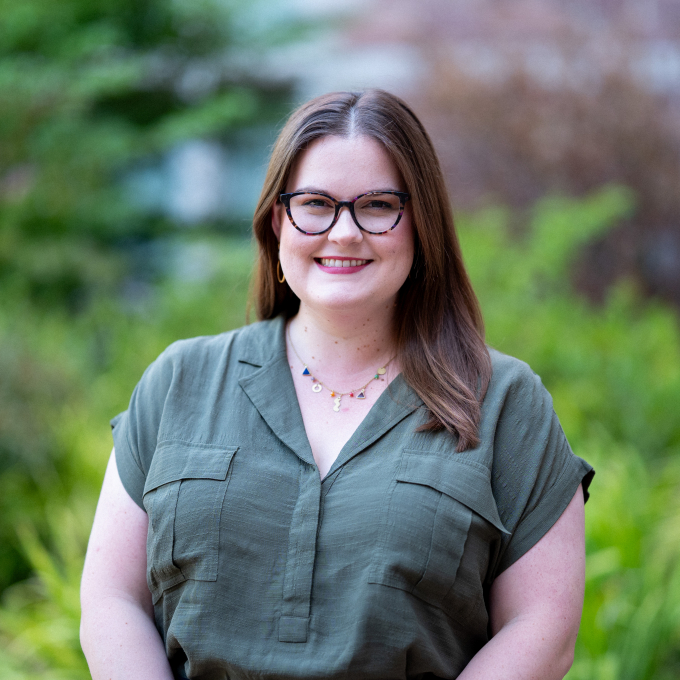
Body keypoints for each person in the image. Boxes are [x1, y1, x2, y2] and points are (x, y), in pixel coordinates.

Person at [80, 89, 594, 680]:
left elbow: (542, 629)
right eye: (316, 204)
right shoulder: (179, 381)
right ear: (278, 223)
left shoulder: (504, 401)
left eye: (377, 205)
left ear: (420, 226)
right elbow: (111, 601)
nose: (344, 232)